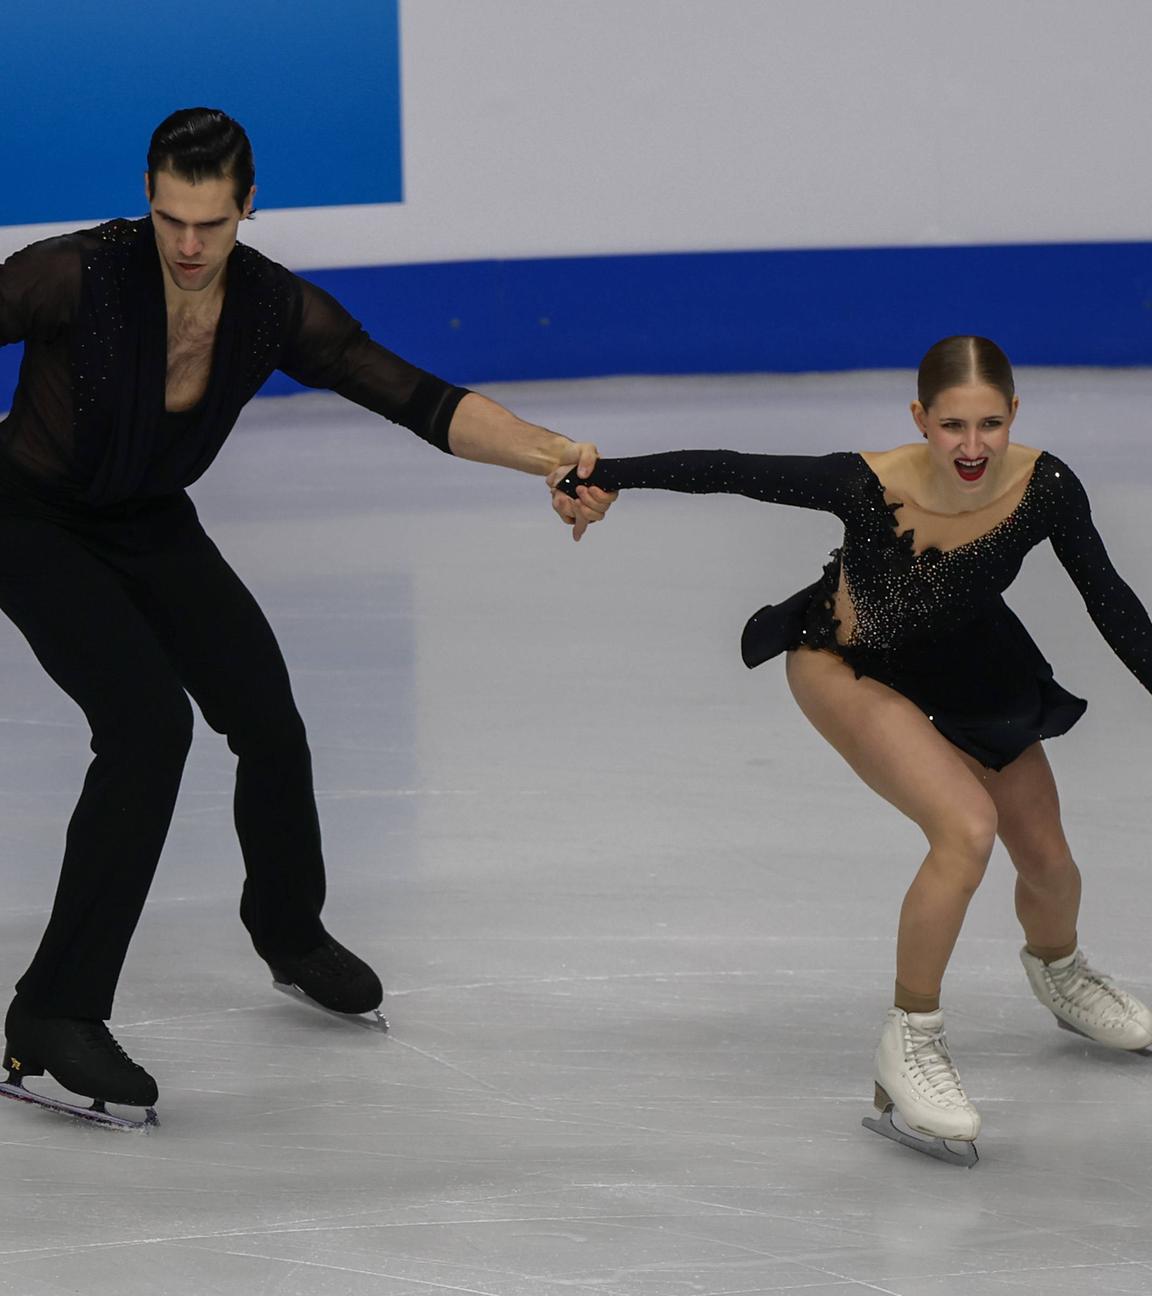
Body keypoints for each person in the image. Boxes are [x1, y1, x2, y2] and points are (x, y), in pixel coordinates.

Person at [0, 106, 615, 1123]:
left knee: (267, 718)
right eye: (170, 221)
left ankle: (290, 933)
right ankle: (53, 1013)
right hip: (27, 517)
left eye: (212, 223)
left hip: (148, 519)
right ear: (147, 201)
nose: (189, 247)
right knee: (148, 727)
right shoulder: (77, 272)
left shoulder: (273, 309)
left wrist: (552, 455)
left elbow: (417, 398)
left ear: (248, 208)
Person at [550, 335, 1152, 1166]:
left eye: (988, 425)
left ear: (1014, 415)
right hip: (848, 664)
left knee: (1048, 858)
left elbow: (1111, 599)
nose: (971, 448)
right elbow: (730, 467)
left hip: (972, 660)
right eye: (951, 426)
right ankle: (910, 1040)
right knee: (966, 830)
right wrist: (605, 472)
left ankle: (1062, 970)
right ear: (920, 419)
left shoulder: (1046, 487)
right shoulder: (866, 483)